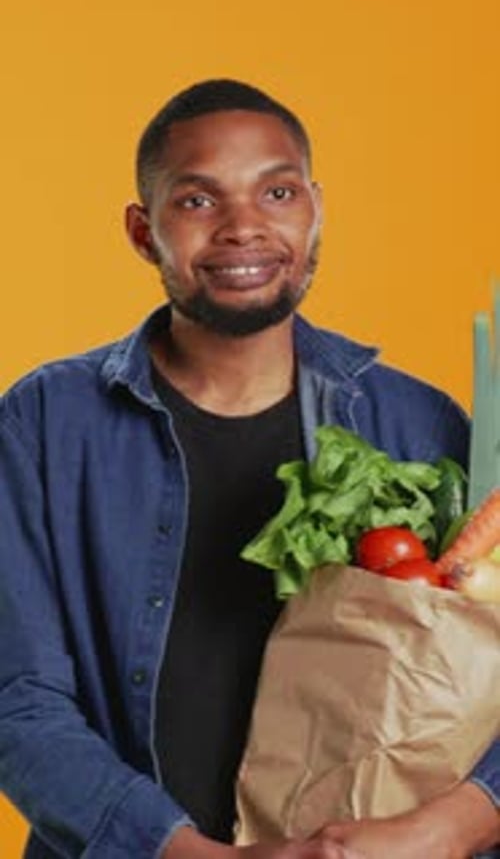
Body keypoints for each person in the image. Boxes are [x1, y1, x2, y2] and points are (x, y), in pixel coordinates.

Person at [0, 79, 498, 859]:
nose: (244, 228)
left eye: (277, 191)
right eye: (198, 202)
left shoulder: (420, 426)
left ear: (315, 211)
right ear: (142, 231)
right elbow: (17, 702)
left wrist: (446, 828)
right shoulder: (44, 423)